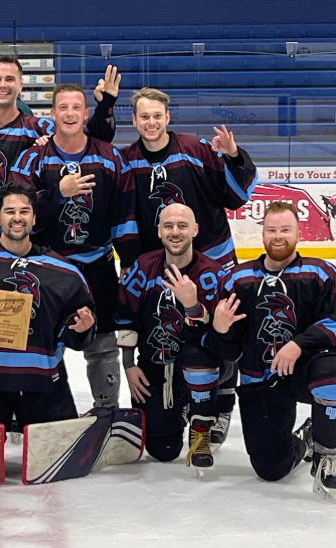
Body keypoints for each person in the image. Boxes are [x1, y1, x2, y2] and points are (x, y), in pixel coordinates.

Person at [107, 87, 259, 442]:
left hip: (214, 260)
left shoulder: (196, 150)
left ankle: (221, 406)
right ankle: (186, 397)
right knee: (172, 329)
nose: (151, 122)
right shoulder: (126, 160)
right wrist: (130, 260)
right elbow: (122, 215)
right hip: (162, 264)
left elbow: (237, 196)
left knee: (223, 330)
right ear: (134, 120)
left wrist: (234, 155)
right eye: (144, 116)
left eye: (157, 116)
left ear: (168, 117)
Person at [203, 201, 336, 501]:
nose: (278, 236)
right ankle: (306, 440)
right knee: (270, 468)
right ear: (262, 234)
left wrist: (298, 344)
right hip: (259, 378)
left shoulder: (322, 274)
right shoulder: (237, 280)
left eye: (285, 230)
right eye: (271, 230)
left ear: (299, 233)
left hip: (306, 372)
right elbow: (229, 352)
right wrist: (220, 329)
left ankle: (325, 457)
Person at [11, 83, 138, 409]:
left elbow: (124, 212)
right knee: (38, 344)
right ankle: (38, 413)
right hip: (46, 268)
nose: (70, 114)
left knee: (103, 344)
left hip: (97, 267)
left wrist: (128, 258)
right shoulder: (32, 158)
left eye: (76, 107)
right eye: (63, 108)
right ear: (52, 114)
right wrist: (58, 193)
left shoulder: (110, 157)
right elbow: (18, 215)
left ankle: (106, 410)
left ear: (86, 113)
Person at [0, 182, 96, 429]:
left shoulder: (66, 272)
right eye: (10, 211)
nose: (17, 218)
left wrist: (81, 327)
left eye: (24, 211)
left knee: (57, 452)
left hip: (42, 382)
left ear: (34, 218)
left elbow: (74, 322)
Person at [0, 56, 117, 255]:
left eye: (10, 79)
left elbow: (92, 139)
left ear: (20, 85)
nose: (2, 85)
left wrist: (105, 105)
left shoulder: (39, 128)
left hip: (16, 232)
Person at [116, 204, 227, 470]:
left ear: (195, 230)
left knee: (198, 357)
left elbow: (224, 336)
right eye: (168, 226)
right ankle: (183, 407)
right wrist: (129, 364)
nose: (175, 232)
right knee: (163, 450)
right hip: (156, 363)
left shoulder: (213, 275)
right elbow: (126, 316)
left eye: (182, 226)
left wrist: (193, 306)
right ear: (159, 231)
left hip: (198, 361)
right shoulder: (144, 266)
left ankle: (206, 415)